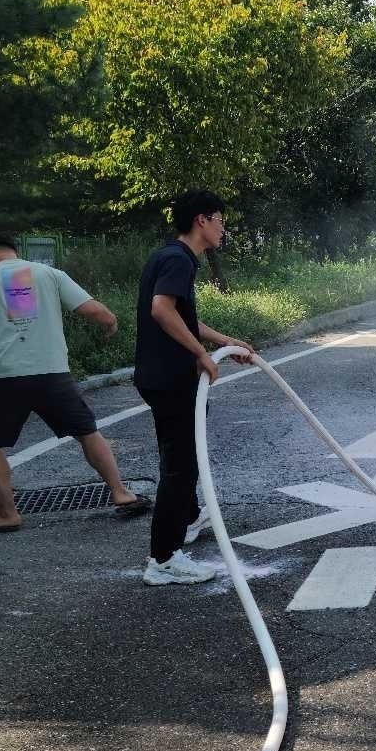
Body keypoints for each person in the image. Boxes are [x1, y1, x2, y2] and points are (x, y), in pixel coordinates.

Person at [0, 233, 151, 533]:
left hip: (4, 378)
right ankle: (121, 493)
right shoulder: (47, 273)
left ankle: (7, 514)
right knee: (87, 432)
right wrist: (110, 322)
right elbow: (94, 310)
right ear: (12, 250)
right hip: (53, 375)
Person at [135, 191, 254, 586]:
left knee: (179, 458)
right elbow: (161, 309)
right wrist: (200, 355)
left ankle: (186, 518)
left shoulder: (172, 256)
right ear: (201, 220)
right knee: (181, 467)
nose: (223, 227)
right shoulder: (177, 260)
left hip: (159, 375)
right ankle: (164, 558)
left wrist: (223, 342)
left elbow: (184, 317)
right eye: (219, 218)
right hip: (171, 377)